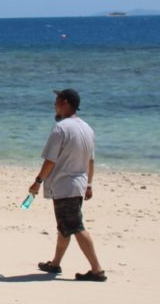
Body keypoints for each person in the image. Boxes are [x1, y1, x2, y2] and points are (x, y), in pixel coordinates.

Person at [28, 88, 106, 281]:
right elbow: (91, 161)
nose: (54, 105)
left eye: (56, 101)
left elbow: (50, 160)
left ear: (65, 103)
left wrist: (37, 182)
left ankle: (97, 269)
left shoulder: (61, 128)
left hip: (65, 186)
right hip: (78, 185)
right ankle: (55, 264)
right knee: (64, 227)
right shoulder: (87, 129)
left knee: (76, 226)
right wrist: (89, 185)